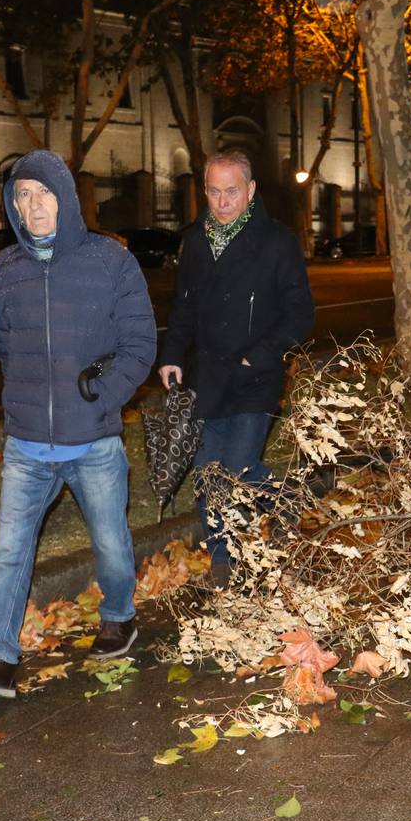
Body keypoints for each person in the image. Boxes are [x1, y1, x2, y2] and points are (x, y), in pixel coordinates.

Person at [0, 150, 157, 699]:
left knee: (112, 545)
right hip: (26, 443)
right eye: (22, 195)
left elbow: (140, 344)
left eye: (43, 193)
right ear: (12, 206)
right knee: (10, 553)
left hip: (92, 439)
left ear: (65, 197)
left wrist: (104, 399)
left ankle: (119, 614)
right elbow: (5, 344)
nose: (33, 205)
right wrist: (20, 400)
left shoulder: (110, 262)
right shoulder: (4, 270)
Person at [158, 150, 314, 588]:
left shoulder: (277, 242)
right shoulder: (194, 239)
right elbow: (183, 306)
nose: (222, 201)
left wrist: (261, 355)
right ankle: (221, 560)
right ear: (204, 190)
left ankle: (284, 501)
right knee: (210, 473)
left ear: (249, 191)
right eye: (213, 191)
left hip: (255, 375)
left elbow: (300, 314)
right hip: (207, 373)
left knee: (241, 467)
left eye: (231, 191)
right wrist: (171, 354)